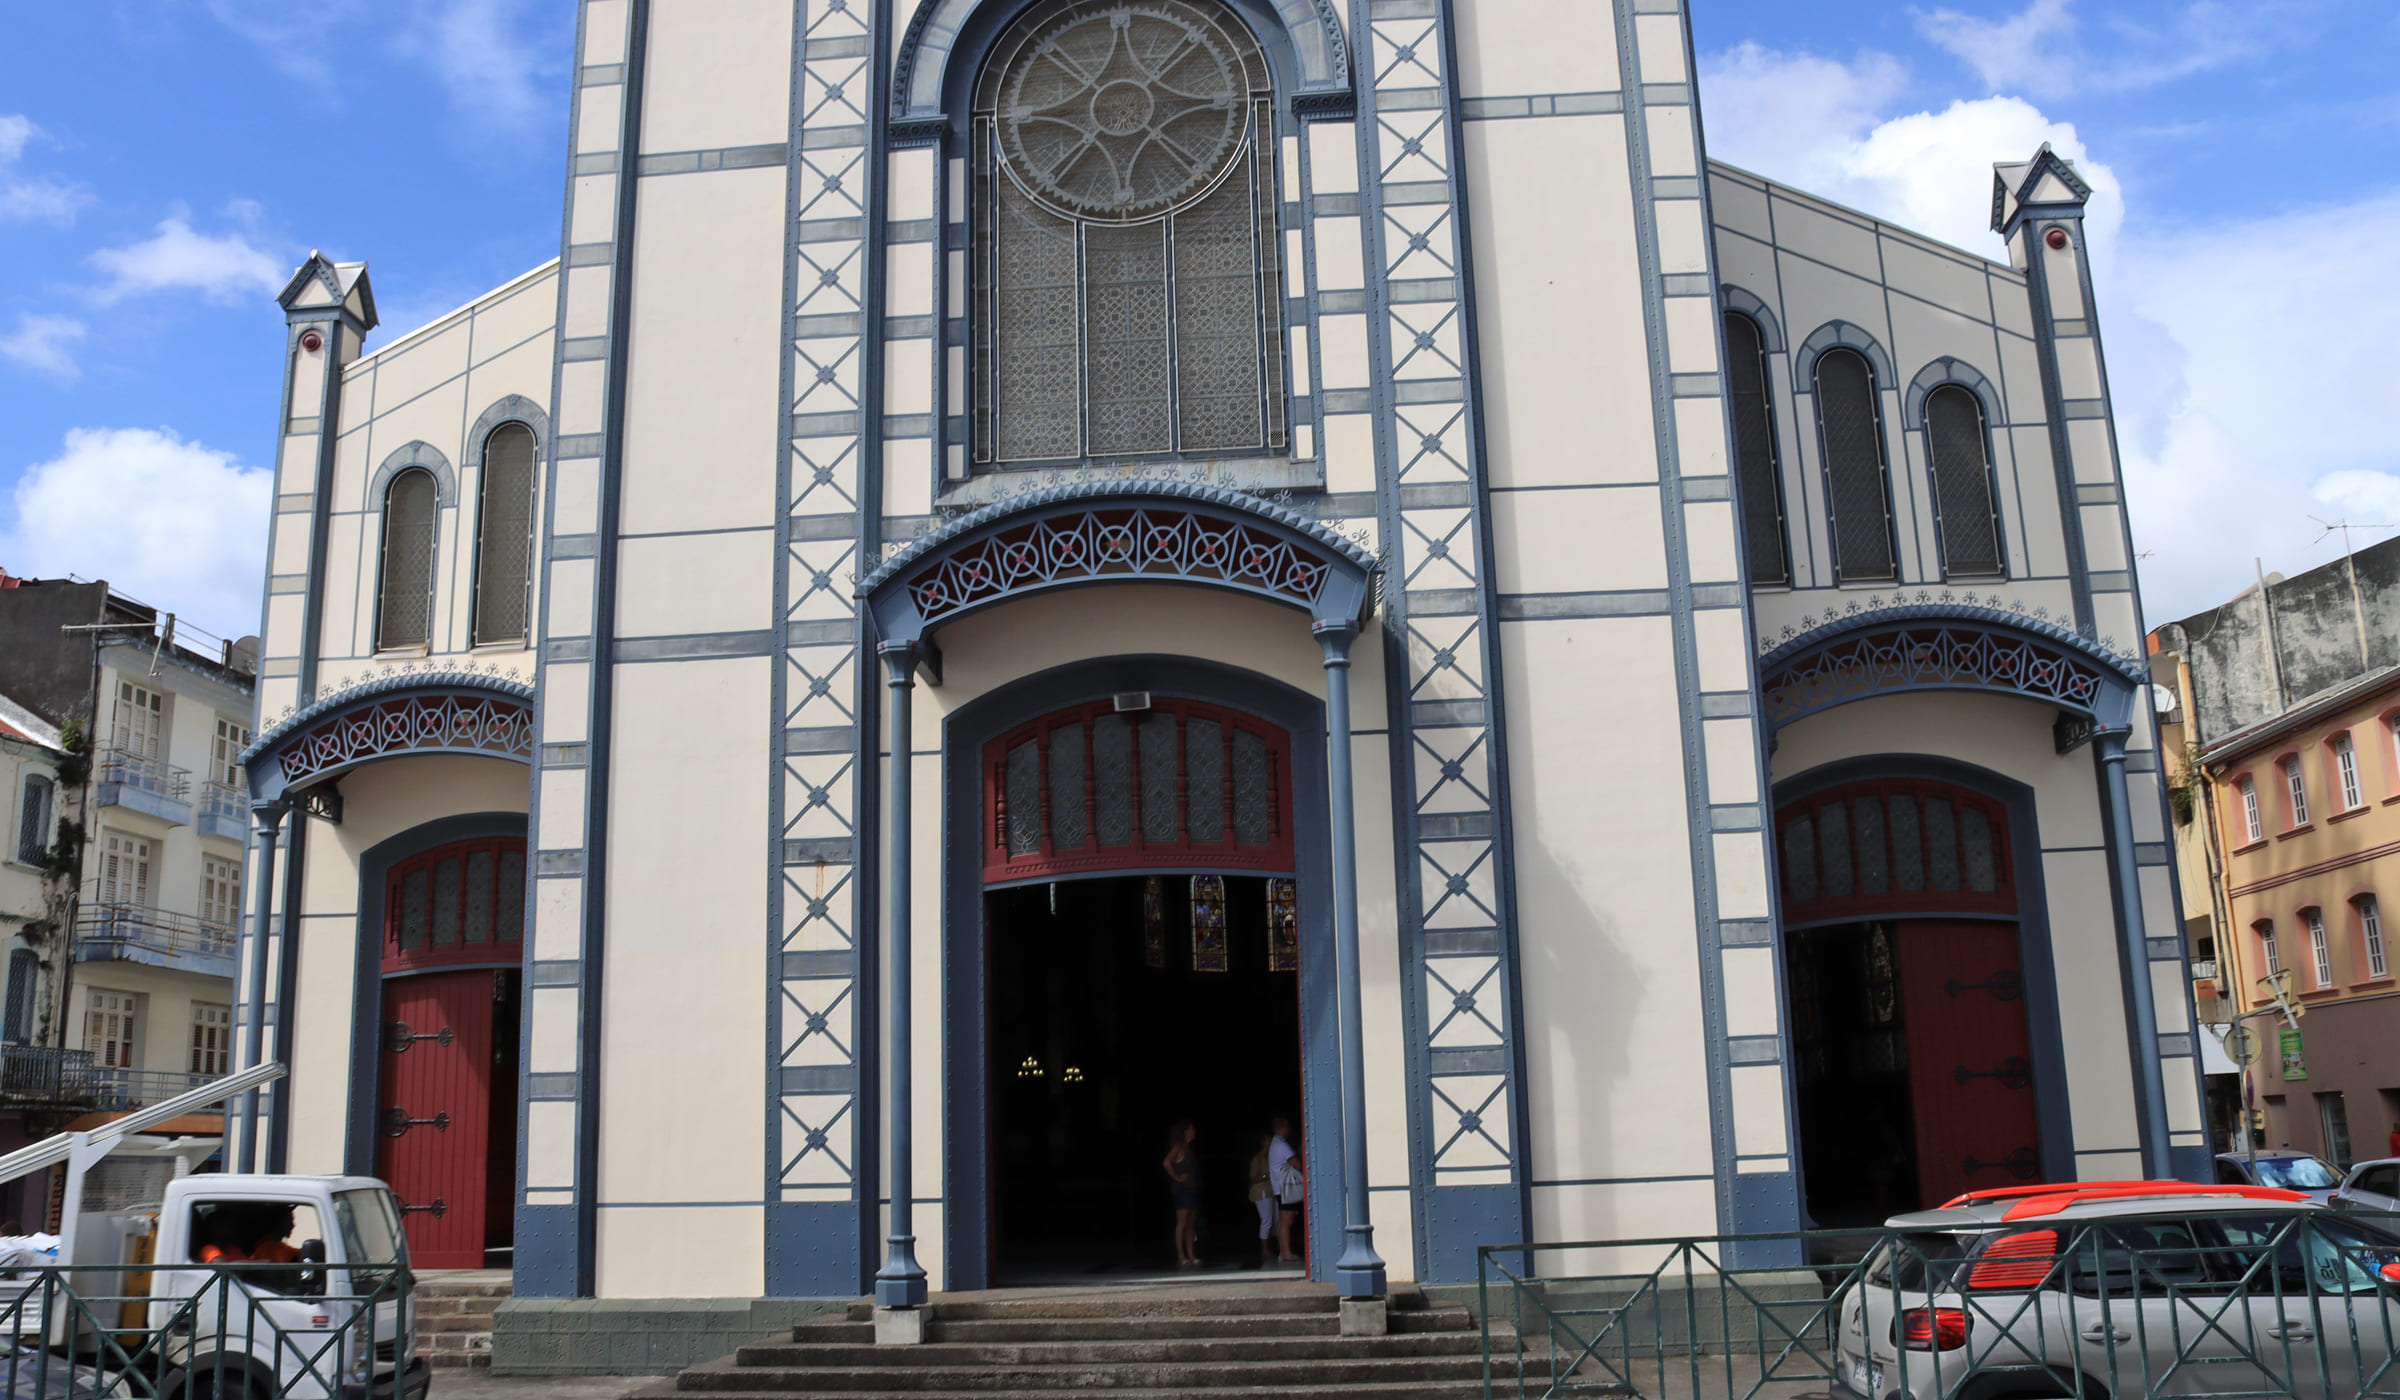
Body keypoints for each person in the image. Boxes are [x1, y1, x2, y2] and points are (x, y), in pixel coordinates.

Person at [1162, 1121, 1201, 1268]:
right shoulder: (1178, 1147)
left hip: (1192, 1189)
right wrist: (1176, 1177)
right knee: (1182, 1223)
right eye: (1192, 1129)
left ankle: (1191, 1255)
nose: (1194, 1131)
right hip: (1182, 1191)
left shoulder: (1189, 1148)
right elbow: (1166, 1162)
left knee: (1191, 1224)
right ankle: (1181, 1255)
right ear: (1186, 1132)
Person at [1268, 1116, 1301, 1263]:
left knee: (1282, 1221)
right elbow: (1296, 1163)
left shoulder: (1274, 1144)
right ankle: (1287, 1252)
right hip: (1286, 1189)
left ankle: (1283, 1250)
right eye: (1287, 1127)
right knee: (1287, 1221)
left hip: (1278, 1188)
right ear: (1282, 1129)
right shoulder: (1282, 1146)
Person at [1246, 1133, 1276, 1267]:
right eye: (1268, 1140)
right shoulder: (1257, 1159)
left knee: (1275, 1220)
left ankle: (1272, 1248)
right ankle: (1265, 1250)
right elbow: (1252, 1178)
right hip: (1261, 1193)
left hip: (1271, 1191)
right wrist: (1266, 1175)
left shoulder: (1270, 1157)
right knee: (1267, 1220)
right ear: (1263, 1142)